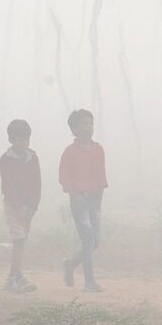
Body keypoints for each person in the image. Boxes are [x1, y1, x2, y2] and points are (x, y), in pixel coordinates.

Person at [59, 109, 107, 293]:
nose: (88, 127)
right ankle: (89, 282)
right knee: (88, 239)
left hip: (95, 200)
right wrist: (74, 194)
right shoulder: (70, 152)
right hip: (79, 200)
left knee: (95, 241)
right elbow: (64, 176)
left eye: (90, 123)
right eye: (84, 124)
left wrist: (99, 199)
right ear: (74, 128)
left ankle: (70, 264)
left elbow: (101, 175)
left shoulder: (98, 149)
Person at [0, 119, 41, 293]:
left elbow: (37, 184)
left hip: (29, 207)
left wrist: (32, 207)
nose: (22, 143)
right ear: (11, 140)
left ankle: (12, 277)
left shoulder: (33, 158)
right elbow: (7, 186)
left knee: (22, 240)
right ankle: (17, 277)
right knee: (18, 239)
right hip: (13, 205)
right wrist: (19, 207)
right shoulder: (6, 159)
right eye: (18, 139)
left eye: (25, 139)